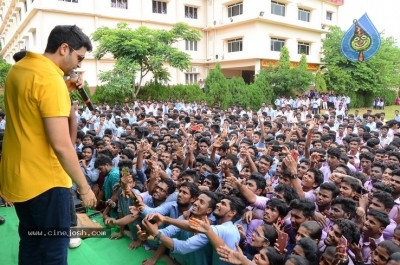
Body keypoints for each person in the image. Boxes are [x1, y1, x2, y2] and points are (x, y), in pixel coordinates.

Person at [0, 25, 96, 265]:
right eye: (79, 57)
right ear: (64, 48)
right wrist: (84, 188)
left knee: (31, 241)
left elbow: (31, 109)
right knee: (54, 250)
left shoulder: (18, 70)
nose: (78, 65)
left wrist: (64, 90)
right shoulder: (50, 79)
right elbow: (62, 144)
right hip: (47, 182)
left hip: (20, 178)